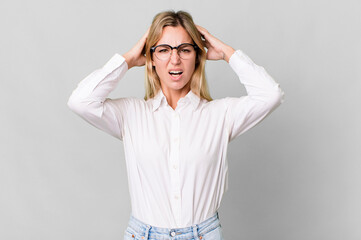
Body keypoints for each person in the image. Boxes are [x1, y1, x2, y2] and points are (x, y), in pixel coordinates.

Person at [67, 10, 284, 240]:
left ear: (198, 56)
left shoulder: (220, 115)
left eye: (185, 49)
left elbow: (270, 95)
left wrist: (226, 53)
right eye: (163, 50)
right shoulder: (131, 114)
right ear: (150, 59)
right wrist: (128, 59)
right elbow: (80, 101)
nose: (175, 59)